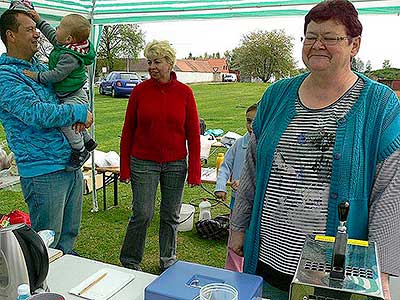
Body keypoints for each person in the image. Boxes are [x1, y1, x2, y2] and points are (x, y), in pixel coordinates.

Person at [230, 1, 400, 299]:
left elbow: (390, 194)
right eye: (310, 36)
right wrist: (239, 226)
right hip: (268, 255)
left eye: (330, 38)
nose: (317, 44)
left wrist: (380, 269)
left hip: (331, 271)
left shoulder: (380, 105)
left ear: (354, 45)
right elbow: (252, 169)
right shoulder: (276, 96)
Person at [0, 8, 93, 254]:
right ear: (11, 35)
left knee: (69, 238)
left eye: (36, 29)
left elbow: (69, 85)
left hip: (69, 164)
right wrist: (79, 114)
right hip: (43, 171)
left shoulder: (40, 67)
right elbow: (36, 113)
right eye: (30, 29)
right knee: (47, 244)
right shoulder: (6, 76)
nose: (37, 35)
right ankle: (44, 291)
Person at [119, 40, 201, 271]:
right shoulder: (140, 91)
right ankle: (130, 260)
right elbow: (128, 132)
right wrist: (125, 168)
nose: (151, 67)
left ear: (169, 63)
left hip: (175, 164)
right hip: (143, 162)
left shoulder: (185, 93)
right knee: (142, 214)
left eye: (157, 62)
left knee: (170, 215)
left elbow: (193, 135)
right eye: (149, 62)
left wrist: (194, 172)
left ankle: (168, 261)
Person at [22, 10, 97, 170]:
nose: (56, 28)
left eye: (60, 27)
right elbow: (50, 33)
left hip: (74, 94)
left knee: (66, 123)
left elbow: (56, 75)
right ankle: (88, 141)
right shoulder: (66, 45)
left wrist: (36, 76)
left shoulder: (70, 56)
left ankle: (80, 150)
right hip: (70, 93)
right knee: (76, 121)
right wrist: (39, 20)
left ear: (69, 38)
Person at [214, 103, 257, 272]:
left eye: (255, 121)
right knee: (235, 240)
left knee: (253, 241)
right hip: (236, 204)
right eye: (248, 121)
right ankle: (232, 273)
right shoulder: (239, 144)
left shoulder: (268, 145)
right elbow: (225, 166)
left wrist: (246, 183)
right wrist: (221, 186)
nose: (251, 126)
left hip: (258, 205)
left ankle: (250, 273)